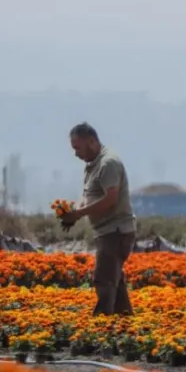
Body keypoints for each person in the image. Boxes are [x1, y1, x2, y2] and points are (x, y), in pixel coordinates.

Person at [61, 122, 138, 316]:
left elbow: (111, 198)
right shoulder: (92, 165)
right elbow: (90, 195)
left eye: (77, 147)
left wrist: (79, 213)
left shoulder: (108, 163)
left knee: (104, 279)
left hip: (115, 231)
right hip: (107, 231)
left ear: (92, 141)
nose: (76, 153)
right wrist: (73, 213)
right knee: (115, 281)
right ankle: (124, 323)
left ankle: (101, 326)